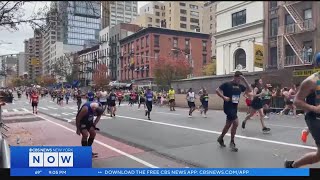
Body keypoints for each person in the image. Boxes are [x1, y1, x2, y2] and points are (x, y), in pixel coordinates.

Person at [284, 71, 320, 168]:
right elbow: (296, 101)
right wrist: (315, 108)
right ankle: (293, 165)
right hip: (314, 118)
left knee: (318, 156)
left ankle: (292, 165)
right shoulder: (311, 81)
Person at [216, 71, 252, 152]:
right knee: (236, 123)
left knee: (228, 125)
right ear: (235, 77)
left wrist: (244, 80)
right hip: (228, 107)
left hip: (234, 107)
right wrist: (223, 97)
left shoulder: (240, 86)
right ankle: (232, 142)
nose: (239, 80)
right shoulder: (227, 84)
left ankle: (221, 138)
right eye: (238, 78)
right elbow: (217, 90)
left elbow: (250, 90)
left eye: (240, 79)